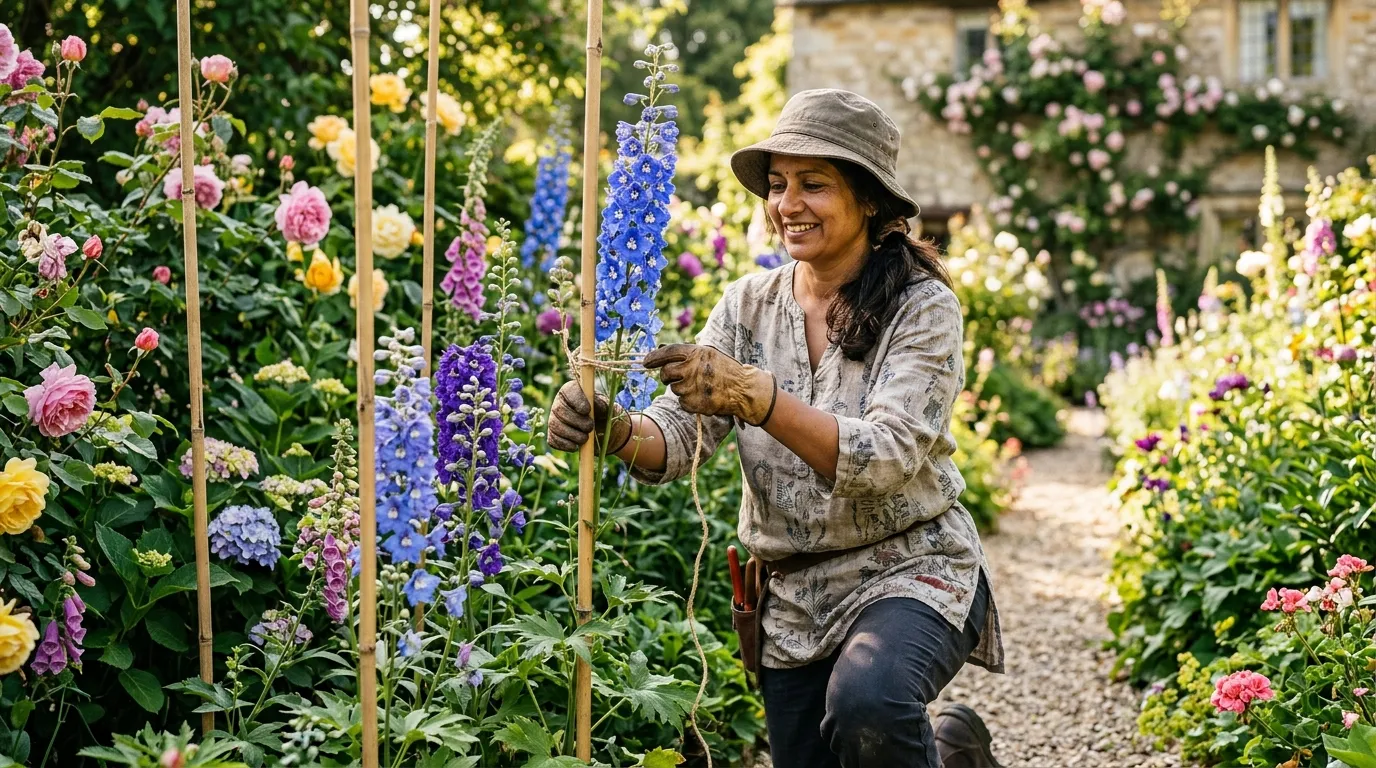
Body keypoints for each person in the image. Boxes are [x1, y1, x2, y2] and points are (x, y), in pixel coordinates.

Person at [547, 88, 1004, 768]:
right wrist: (612, 426)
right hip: (791, 600)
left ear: (871, 199)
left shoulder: (921, 308)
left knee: (868, 708)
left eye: (813, 185)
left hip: (911, 568)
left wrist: (757, 399)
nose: (788, 204)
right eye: (779, 184)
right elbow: (677, 439)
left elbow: (885, 457)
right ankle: (953, 754)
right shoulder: (747, 305)